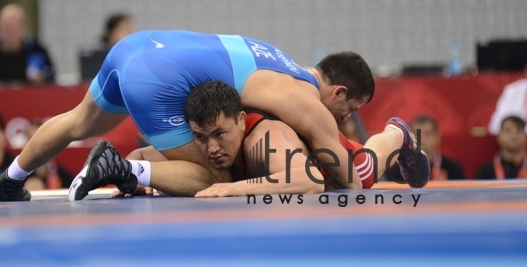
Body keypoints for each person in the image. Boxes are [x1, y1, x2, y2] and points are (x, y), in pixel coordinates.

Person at [0, 29, 428, 202]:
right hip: (160, 76)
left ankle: (11, 178)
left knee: (79, 121)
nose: (346, 116)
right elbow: (346, 182)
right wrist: (236, 187)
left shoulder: (278, 59)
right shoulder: (304, 100)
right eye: (349, 107)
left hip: (137, 46)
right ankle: (395, 134)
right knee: (209, 171)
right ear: (339, 90)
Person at [112, 81, 425, 197]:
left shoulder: (265, 137)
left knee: (369, 165)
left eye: (220, 134)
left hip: (339, 163)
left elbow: (311, 180)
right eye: (201, 137)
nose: (212, 148)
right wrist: (134, 183)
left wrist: (233, 187)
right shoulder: (204, 140)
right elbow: (139, 157)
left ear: (241, 120)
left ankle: (396, 134)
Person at [0, 4, 55, 84]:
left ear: (24, 28)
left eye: (14, 27)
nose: (9, 32)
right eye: (5, 27)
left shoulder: (37, 50)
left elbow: (51, 77)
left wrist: (40, 78)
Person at [387, 115, 465, 181]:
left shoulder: (453, 169)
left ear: (437, 136)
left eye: (427, 134)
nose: (422, 140)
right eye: (418, 135)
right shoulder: (398, 171)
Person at [476, 115, 527, 179]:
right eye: (508, 130)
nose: (514, 135)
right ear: (499, 137)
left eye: (518, 130)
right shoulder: (486, 171)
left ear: (525, 136)